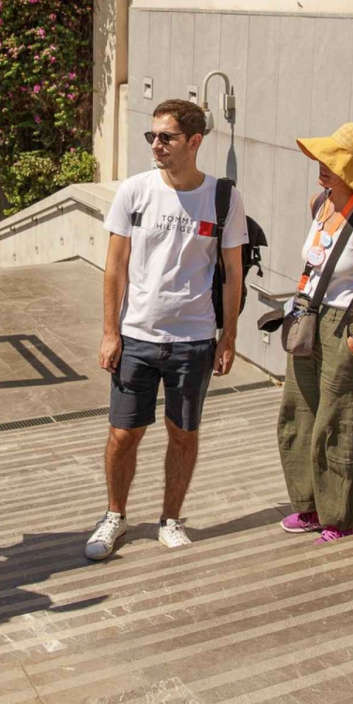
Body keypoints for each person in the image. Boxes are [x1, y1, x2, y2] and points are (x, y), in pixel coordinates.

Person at [86, 99, 246, 561]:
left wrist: (228, 336)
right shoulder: (134, 191)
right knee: (122, 434)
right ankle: (115, 515)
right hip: (136, 336)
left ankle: (170, 519)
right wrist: (109, 331)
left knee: (183, 434)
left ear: (194, 142)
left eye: (166, 137)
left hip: (193, 340)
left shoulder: (224, 197)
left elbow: (232, 273)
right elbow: (114, 266)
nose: (156, 145)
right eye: (151, 136)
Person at [276, 124, 353, 545]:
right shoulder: (320, 202)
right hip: (308, 320)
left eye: (331, 162)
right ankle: (309, 506)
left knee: (338, 424)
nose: (321, 168)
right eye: (322, 159)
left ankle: (338, 517)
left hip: (349, 326)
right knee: (298, 414)